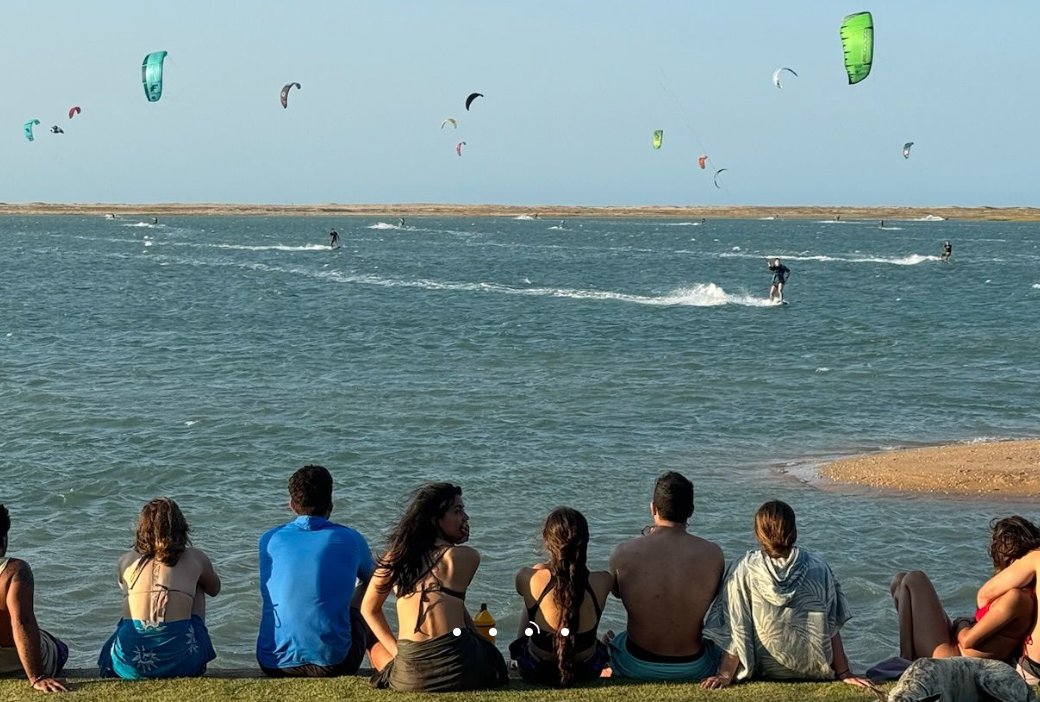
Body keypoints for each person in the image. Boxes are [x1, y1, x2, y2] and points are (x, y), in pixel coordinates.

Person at [701, 501, 872, 690]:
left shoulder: (743, 568)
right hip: (814, 670)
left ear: (759, 533)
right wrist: (845, 673)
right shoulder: (819, 567)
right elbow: (832, 625)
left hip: (759, 670)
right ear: (793, 530)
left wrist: (724, 675)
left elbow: (736, 626)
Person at [361, 483, 507, 692]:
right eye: (457, 511)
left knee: (372, 642)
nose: (465, 518)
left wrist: (397, 654)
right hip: (462, 670)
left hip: (409, 677)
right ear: (435, 520)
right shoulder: (464, 556)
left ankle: (398, 661)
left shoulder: (396, 558)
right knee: (488, 652)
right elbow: (450, 597)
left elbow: (368, 609)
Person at [257, 465, 377, 677]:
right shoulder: (350, 538)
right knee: (372, 586)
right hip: (336, 663)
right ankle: (386, 663)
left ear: (292, 504)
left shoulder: (269, 539)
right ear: (330, 504)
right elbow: (376, 580)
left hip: (273, 663)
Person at [605, 471, 724, 682]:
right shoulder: (713, 554)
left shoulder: (622, 552)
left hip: (636, 663)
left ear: (653, 508)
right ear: (691, 510)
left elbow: (618, 592)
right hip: (693, 665)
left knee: (614, 640)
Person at [97, 498, 220, 679]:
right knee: (199, 584)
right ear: (181, 526)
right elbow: (214, 589)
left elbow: (122, 586)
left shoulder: (125, 560)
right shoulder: (196, 557)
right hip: (182, 662)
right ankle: (184, 642)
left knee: (132, 598)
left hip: (128, 663)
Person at [893, 517, 1040, 666]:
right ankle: (907, 657)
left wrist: (962, 623)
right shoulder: (1017, 593)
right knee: (900, 580)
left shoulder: (1017, 597)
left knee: (915, 578)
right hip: (954, 649)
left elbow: (967, 640)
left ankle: (906, 658)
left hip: (951, 657)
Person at [509, 507, 612, 687]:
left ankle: (514, 662)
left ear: (547, 541)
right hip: (586, 670)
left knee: (531, 597)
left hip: (537, 669)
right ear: (585, 542)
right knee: (608, 636)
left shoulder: (527, 576)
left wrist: (544, 569)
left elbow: (532, 587)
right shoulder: (604, 580)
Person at [0, 504, 68, 693]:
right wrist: (37, 677)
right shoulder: (13, 570)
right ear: (3, 539)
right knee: (59, 647)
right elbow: (21, 621)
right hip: (16, 664)